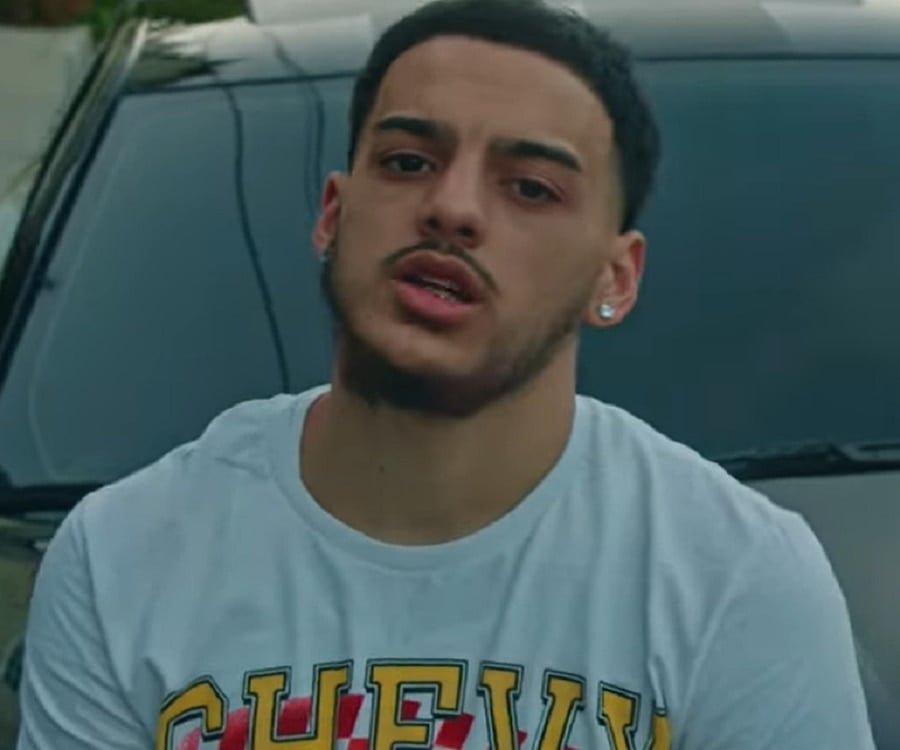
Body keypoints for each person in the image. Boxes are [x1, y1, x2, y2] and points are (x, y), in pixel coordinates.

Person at [16, 0, 876, 748]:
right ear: (332, 215)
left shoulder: (734, 578)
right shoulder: (119, 561)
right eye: (407, 162)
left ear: (614, 278)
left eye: (530, 187)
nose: (453, 208)